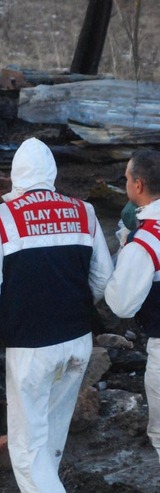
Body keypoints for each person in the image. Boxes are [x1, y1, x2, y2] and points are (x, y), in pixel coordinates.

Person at [0, 137, 113, 493]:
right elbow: (102, 279)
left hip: (31, 349)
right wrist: (71, 301)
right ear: (51, 175)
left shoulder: (3, 218)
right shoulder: (84, 212)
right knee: (53, 429)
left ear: (17, 176)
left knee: (26, 451)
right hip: (78, 340)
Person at [105, 149, 160, 467]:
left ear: (137, 185)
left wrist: (125, 254)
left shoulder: (145, 243)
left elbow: (123, 305)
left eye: (126, 178)